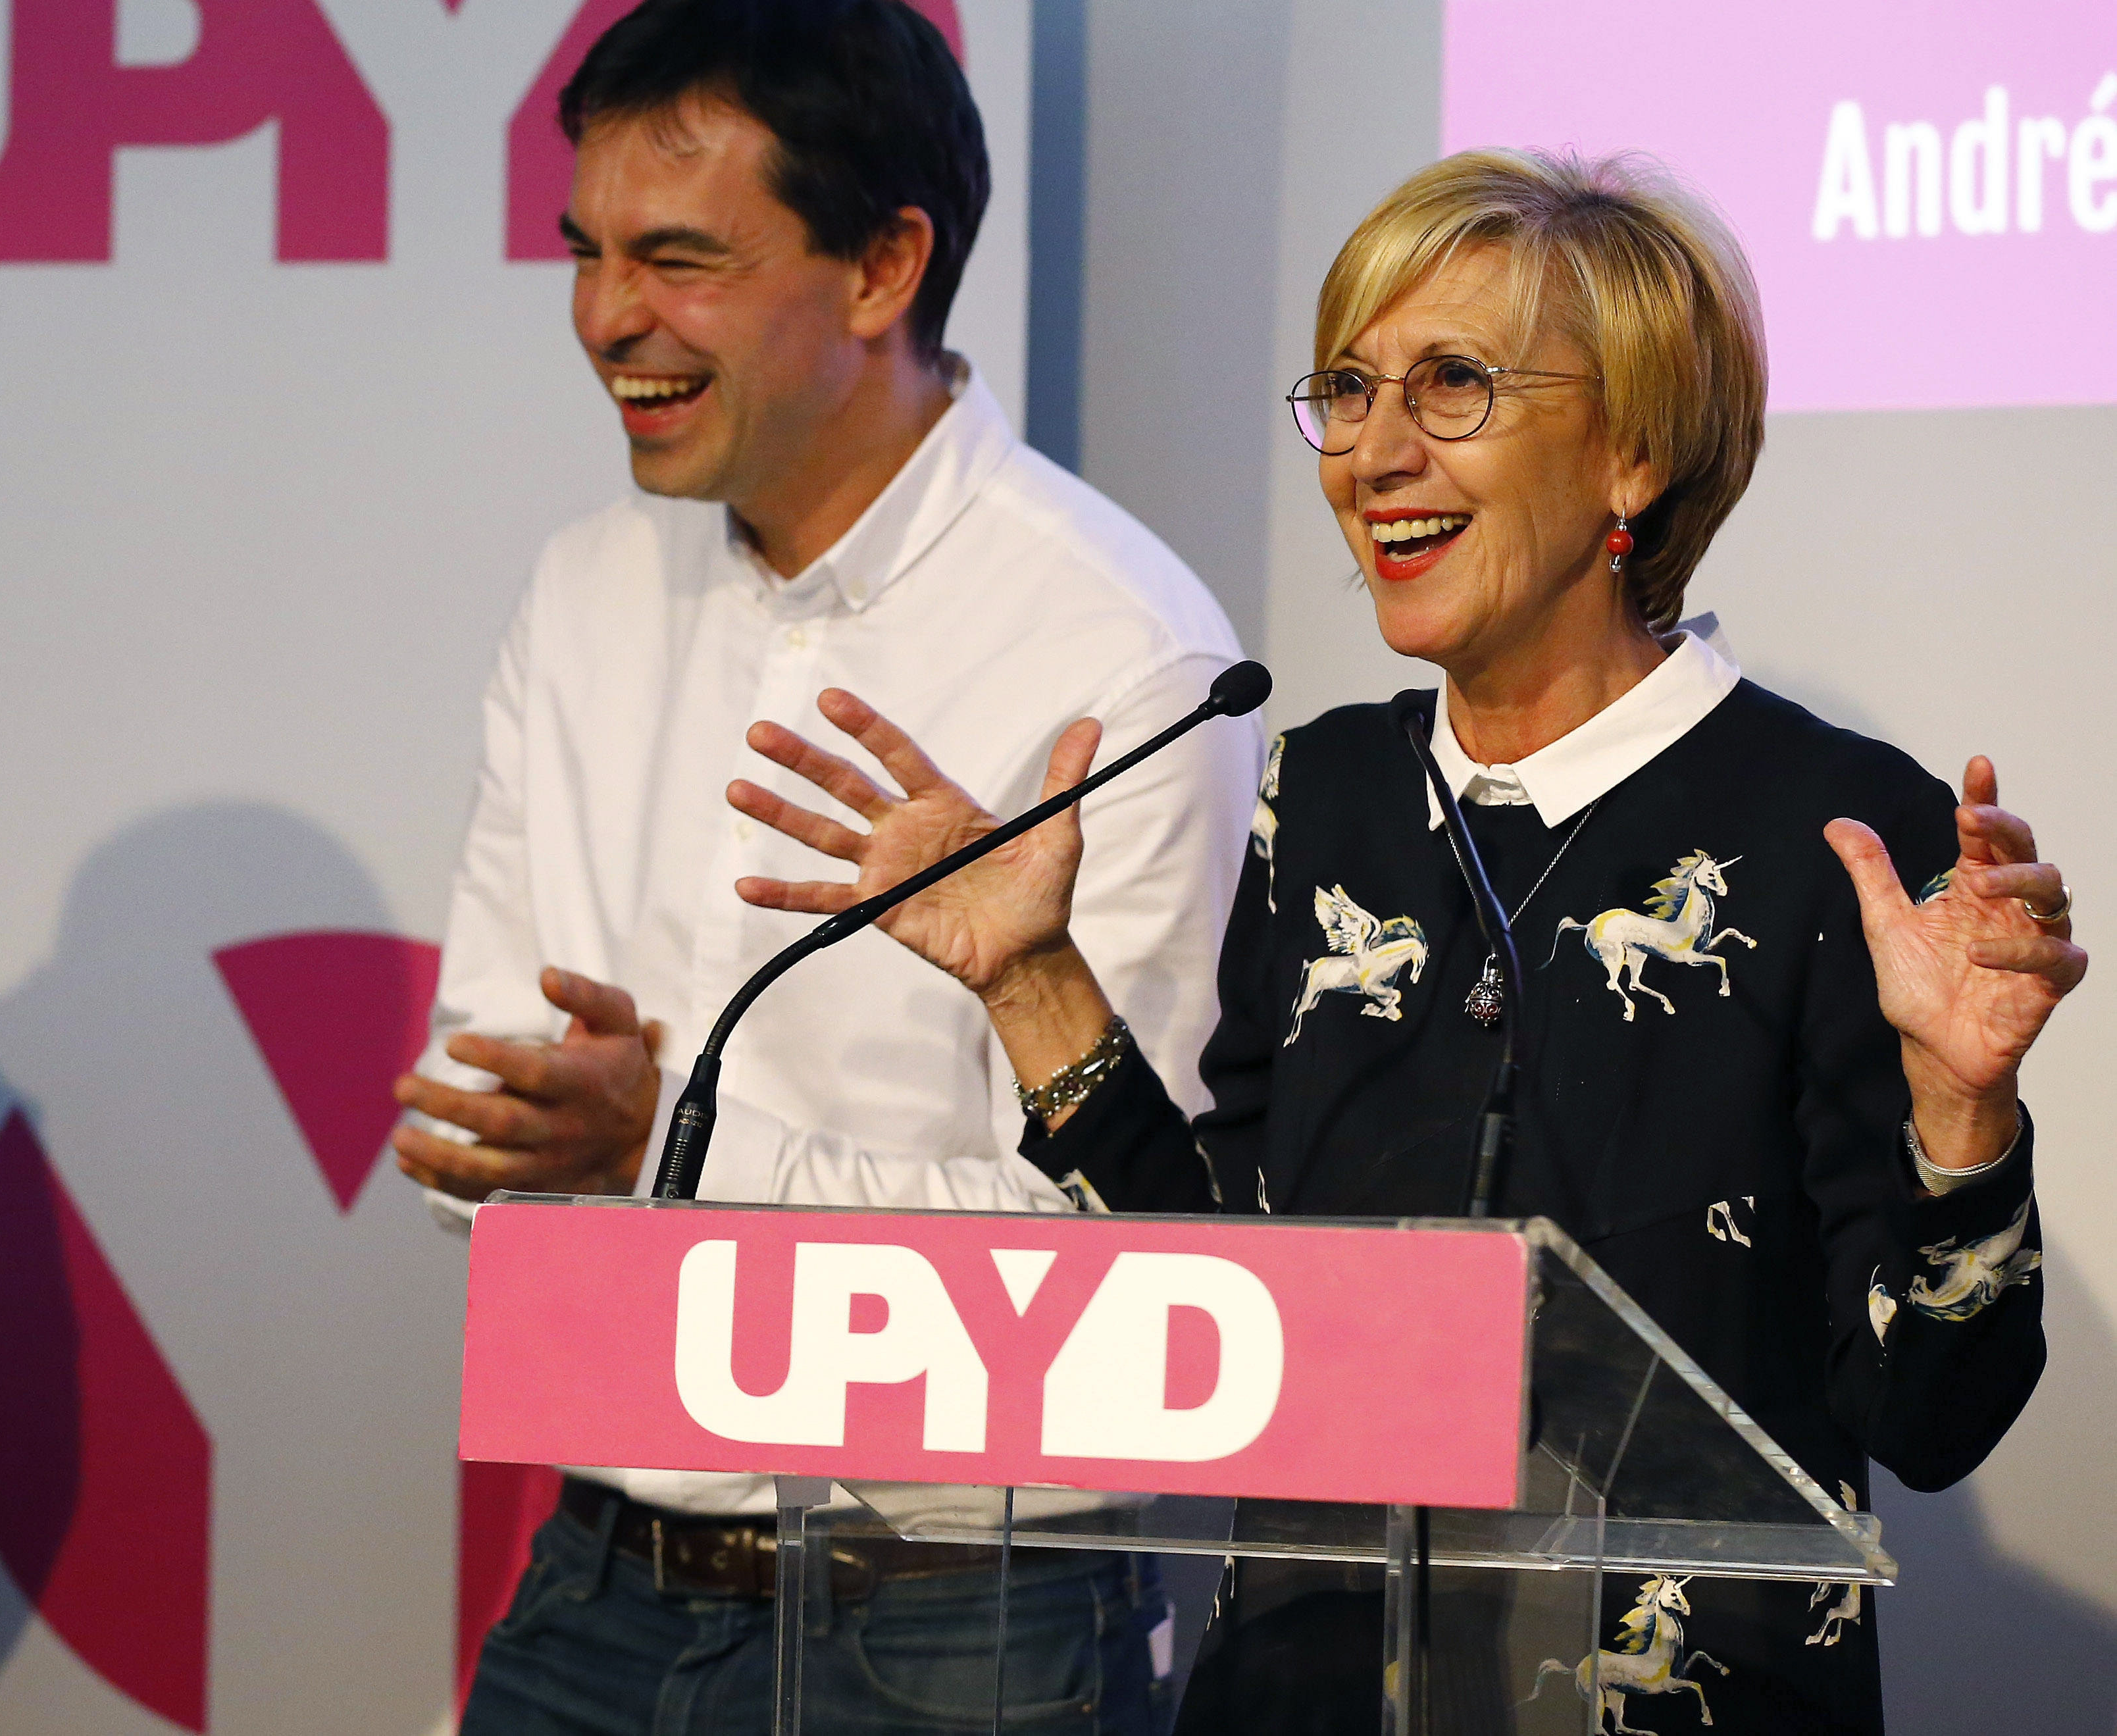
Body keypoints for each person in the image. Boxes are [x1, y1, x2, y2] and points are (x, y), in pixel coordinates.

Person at [731, 147, 2077, 1733]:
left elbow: (1926, 1415)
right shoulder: (1333, 790)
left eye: (1450, 386)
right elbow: (1222, 1297)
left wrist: (1967, 1118)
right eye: (1347, 390)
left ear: (1633, 453)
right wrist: (1035, 985)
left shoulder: (1840, 829)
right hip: (1304, 1687)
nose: (1371, 452)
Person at [390, 0, 1259, 1734]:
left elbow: (1126, 1257)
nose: (604, 316)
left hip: (962, 1612)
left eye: (678, 261)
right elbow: (470, 1123)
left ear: (881, 266)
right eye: (583, 251)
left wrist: (662, 1151)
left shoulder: (1117, 652)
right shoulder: (578, 597)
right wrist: (524, 1141)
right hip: (597, 1570)